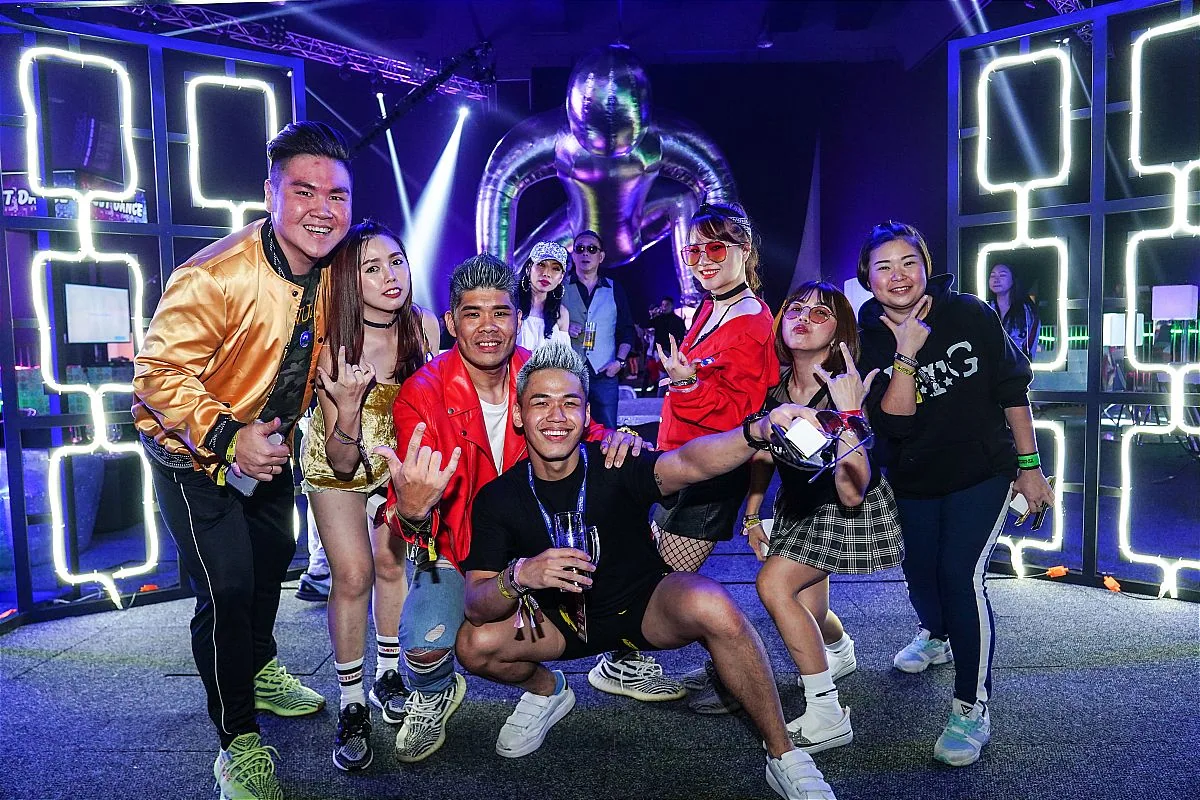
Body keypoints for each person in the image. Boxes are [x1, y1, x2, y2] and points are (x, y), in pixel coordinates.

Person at [454, 343, 836, 800]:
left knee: (713, 603)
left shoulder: (616, 460)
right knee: (474, 645)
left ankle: (783, 753)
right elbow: (477, 605)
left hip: (644, 606)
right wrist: (519, 576)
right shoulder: (499, 497)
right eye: (541, 402)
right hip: (559, 623)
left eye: (570, 402)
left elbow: (691, 463)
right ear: (518, 415)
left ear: (586, 411)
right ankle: (547, 690)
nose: (556, 415)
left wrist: (756, 431)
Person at [133, 121, 351, 800]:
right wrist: (228, 438)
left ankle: (258, 667)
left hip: (270, 448)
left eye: (338, 195)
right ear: (270, 194)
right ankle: (238, 743)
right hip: (191, 454)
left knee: (266, 574)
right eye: (304, 191)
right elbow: (157, 372)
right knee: (225, 589)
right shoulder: (214, 274)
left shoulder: (334, 272)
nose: (323, 208)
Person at [374, 254, 645, 764]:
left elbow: (583, 428)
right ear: (452, 322)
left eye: (500, 312)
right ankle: (444, 695)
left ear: (519, 319)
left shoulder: (541, 375)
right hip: (456, 550)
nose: (488, 327)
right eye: (472, 314)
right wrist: (409, 513)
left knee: (634, 601)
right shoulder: (422, 395)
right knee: (425, 649)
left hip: (540, 543)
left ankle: (567, 679)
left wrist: (618, 441)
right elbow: (411, 505)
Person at [855, 221, 1054, 767]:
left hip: (982, 471)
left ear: (926, 265)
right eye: (884, 266)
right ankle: (935, 634)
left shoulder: (968, 311)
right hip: (914, 476)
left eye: (908, 262)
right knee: (921, 573)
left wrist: (1030, 467)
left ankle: (971, 707)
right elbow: (893, 423)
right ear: (866, 276)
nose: (898, 275)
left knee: (958, 575)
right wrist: (906, 353)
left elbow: (1012, 391)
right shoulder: (866, 336)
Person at [743, 282, 904, 753]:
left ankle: (826, 711)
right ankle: (839, 648)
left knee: (774, 586)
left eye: (821, 313)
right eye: (795, 308)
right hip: (797, 506)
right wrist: (752, 514)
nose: (803, 317)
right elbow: (764, 455)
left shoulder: (849, 388)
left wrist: (851, 413)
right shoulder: (776, 389)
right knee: (808, 614)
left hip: (844, 509)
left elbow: (852, 491)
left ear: (839, 335)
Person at [299, 220, 436, 771]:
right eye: (371, 268)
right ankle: (351, 700)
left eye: (396, 261)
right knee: (352, 574)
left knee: (389, 564)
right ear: (351, 282)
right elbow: (342, 459)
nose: (390, 276)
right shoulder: (337, 345)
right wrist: (351, 406)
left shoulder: (424, 327)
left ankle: (387, 674)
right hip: (338, 457)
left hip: (394, 462)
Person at [563, 230, 637, 429]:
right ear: (573, 255)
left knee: (607, 431)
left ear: (601, 256)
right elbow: (543, 320)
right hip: (569, 372)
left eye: (591, 249)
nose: (585, 253)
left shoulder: (614, 288)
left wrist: (619, 363)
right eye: (580, 249)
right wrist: (562, 327)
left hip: (605, 374)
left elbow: (627, 330)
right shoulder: (560, 287)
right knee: (570, 428)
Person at [516, 241, 573, 353]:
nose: (546, 273)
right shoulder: (510, 304)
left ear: (561, 277)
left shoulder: (561, 313)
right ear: (529, 268)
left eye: (555, 268)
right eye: (541, 265)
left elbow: (564, 362)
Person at [986, 263, 1039, 360]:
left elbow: (1030, 344)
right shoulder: (986, 308)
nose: (996, 279)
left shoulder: (1026, 311)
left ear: (1013, 280)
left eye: (1002, 275)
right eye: (992, 275)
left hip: (1017, 367)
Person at [641, 296, 687, 396]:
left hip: (671, 352)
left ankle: (662, 397)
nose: (664, 307)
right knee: (654, 374)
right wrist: (653, 315)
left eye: (666, 305)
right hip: (658, 352)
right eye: (662, 305)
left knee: (665, 376)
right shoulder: (658, 319)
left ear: (672, 306)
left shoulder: (677, 320)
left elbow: (682, 336)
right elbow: (645, 324)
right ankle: (649, 395)